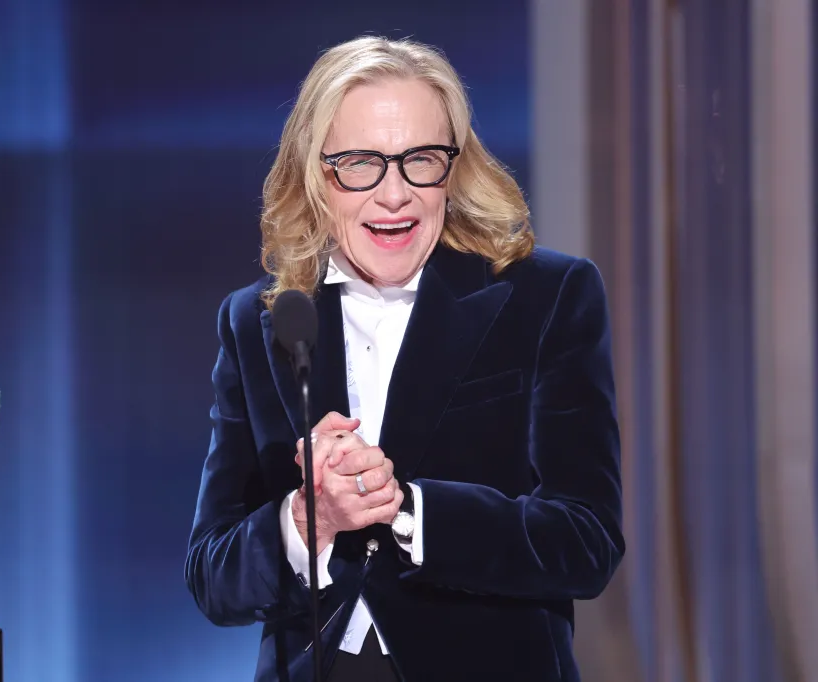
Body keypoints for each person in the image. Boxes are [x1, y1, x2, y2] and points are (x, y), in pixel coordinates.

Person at [185, 35, 624, 682]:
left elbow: (586, 541)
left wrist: (408, 509)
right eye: (361, 163)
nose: (396, 194)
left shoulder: (546, 297)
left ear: (455, 166)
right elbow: (212, 576)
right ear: (317, 173)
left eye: (421, 160)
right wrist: (305, 521)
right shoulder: (261, 320)